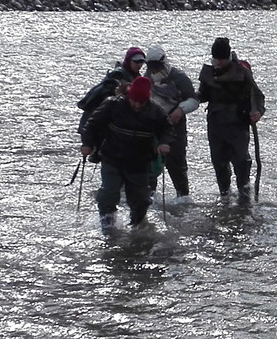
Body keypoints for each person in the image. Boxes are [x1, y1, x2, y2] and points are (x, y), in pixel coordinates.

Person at [79, 76, 174, 232]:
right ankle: (108, 223)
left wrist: (164, 143)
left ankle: (137, 224)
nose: (137, 105)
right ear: (129, 95)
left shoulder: (156, 112)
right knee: (109, 192)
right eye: (134, 100)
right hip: (112, 158)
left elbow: (167, 129)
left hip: (139, 162)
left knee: (141, 199)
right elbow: (92, 124)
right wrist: (87, 144)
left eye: (141, 102)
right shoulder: (113, 105)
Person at [197, 37, 266, 203]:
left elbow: (258, 95)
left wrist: (257, 112)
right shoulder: (209, 73)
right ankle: (225, 196)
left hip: (238, 125)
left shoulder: (242, 72)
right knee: (219, 163)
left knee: (242, 162)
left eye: (221, 59)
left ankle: (244, 198)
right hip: (215, 124)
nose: (218, 63)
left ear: (228, 57)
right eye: (215, 59)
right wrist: (188, 98)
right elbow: (203, 95)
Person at [145, 45, 198, 201]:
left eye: (157, 67)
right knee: (150, 165)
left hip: (175, 128)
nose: (154, 71)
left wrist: (180, 110)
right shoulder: (146, 79)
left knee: (177, 165)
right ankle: (150, 198)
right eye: (151, 67)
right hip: (152, 128)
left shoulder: (179, 78)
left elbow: (194, 100)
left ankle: (183, 197)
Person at [76, 46, 147, 136]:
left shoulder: (136, 76)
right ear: (129, 61)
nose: (139, 64)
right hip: (95, 119)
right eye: (136, 61)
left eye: (141, 62)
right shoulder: (117, 75)